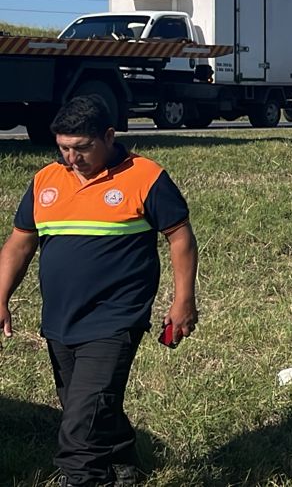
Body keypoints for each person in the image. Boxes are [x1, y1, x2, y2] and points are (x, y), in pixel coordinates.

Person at [0, 96, 199, 487]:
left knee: (79, 423)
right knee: (89, 404)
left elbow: (181, 238)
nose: (72, 158)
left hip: (115, 318)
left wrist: (183, 301)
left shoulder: (145, 176)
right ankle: (123, 463)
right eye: (63, 148)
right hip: (60, 319)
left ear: (109, 137)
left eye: (82, 148)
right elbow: (19, 244)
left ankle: (83, 477)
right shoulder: (46, 181)